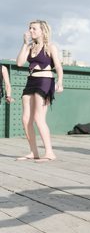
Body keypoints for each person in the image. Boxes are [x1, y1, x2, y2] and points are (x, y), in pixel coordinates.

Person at [15, 20, 63, 162]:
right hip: (31, 81)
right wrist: (24, 44)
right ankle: (33, 152)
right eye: (30, 28)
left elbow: (58, 67)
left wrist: (60, 81)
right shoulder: (30, 47)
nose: (31, 31)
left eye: (34, 28)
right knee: (25, 120)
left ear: (43, 31)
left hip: (44, 81)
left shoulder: (50, 47)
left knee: (38, 118)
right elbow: (19, 63)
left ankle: (49, 153)